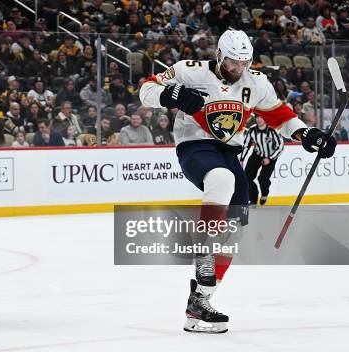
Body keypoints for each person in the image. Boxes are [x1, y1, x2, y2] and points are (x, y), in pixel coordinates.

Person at [139, 29, 337, 333]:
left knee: (233, 235)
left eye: (244, 62)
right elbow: (147, 90)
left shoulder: (255, 82)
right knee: (221, 178)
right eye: (233, 62)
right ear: (219, 56)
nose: (238, 69)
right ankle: (202, 251)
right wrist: (172, 94)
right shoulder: (190, 71)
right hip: (195, 146)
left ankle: (200, 304)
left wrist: (307, 134)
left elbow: (279, 115)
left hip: (230, 152)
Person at [240, 115, 284, 206]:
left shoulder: (273, 130)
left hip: (271, 156)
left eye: (261, 117)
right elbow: (246, 145)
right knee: (247, 178)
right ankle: (253, 200)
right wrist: (242, 159)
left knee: (262, 179)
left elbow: (280, 147)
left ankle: (264, 194)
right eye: (257, 117)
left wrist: (270, 158)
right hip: (257, 155)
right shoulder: (252, 130)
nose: (259, 119)